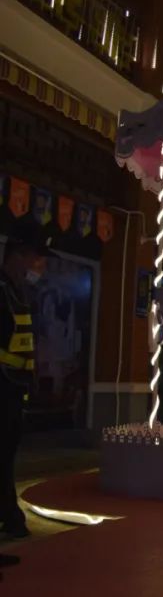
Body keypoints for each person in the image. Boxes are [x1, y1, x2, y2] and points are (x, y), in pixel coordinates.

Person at [1, 230, 50, 547]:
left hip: (13, 388)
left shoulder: (18, 293)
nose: (39, 266)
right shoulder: (4, 292)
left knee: (6, 456)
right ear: (17, 257)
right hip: (4, 387)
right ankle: (11, 518)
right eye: (36, 258)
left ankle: (10, 517)